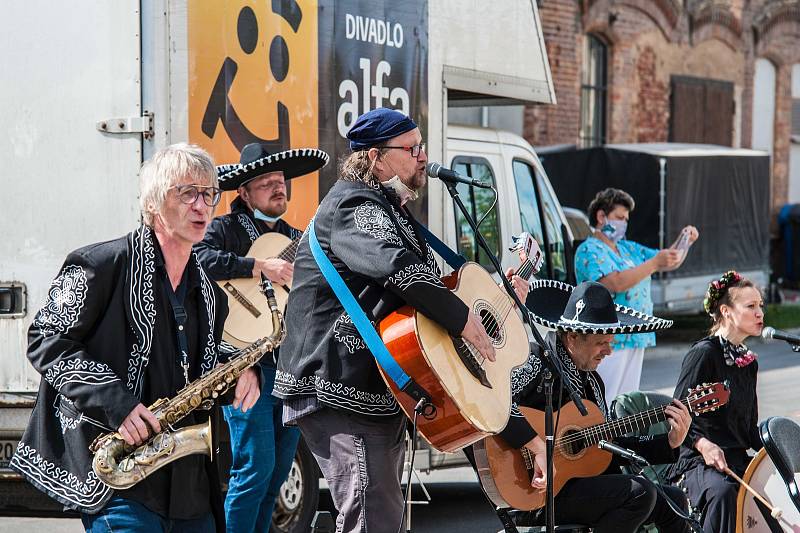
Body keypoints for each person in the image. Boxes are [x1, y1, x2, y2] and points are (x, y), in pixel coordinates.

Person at [273, 107, 529, 533]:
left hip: (372, 388)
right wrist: (464, 318)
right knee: (373, 518)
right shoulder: (354, 204)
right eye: (411, 148)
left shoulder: (390, 210)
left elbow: (433, 288)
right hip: (337, 384)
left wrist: (501, 300)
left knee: (380, 519)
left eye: (421, 146)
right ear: (375, 158)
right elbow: (401, 269)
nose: (423, 157)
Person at [10, 144, 260, 533]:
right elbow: (46, 337)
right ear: (156, 202)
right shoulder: (99, 264)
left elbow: (201, 365)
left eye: (209, 194)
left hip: (190, 487)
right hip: (118, 480)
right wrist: (117, 403)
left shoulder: (211, 291)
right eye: (188, 193)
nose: (202, 205)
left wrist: (239, 375)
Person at [194, 142, 328, 533]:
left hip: (288, 367)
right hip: (242, 362)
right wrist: (257, 266)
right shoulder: (225, 229)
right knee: (254, 467)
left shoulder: (298, 237)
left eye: (281, 182)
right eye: (266, 183)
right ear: (245, 193)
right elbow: (198, 259)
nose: (278, 188)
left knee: (278, 473)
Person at [497, 280, 693, 533]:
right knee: (639, 494)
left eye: (610, 342)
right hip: (534, 489)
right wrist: (533, 446)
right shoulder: (536, 362)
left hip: (579, 485)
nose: (609, 351)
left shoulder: (592, 381)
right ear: (573, 336)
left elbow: (609, 442)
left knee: (673, 499)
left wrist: (669, 442)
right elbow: (497, 404)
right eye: (602, 342)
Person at [575, 187, 699, 405]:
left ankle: (620, 438)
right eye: (619, 217)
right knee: (605, 397)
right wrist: (653, 264)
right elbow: (616, 283)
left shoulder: (626, 247)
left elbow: (668, 260)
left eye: (626, 219)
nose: (624, 223)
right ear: (601, 216)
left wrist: (685, 241)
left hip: (635, 334)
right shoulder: (589, 249)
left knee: (626, 400)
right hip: (608, 338)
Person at [667, 271, 764, 533]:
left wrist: (778, 451)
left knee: (772, 490)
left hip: (735, 458)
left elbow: (749, 429)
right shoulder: (703, 354)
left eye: (760, 306)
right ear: (726, 311)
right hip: (696, 460)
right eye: (751, 306)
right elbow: (676, 414)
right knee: (722, 494)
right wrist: (704, 444)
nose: (760, 313)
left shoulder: (748, 362)